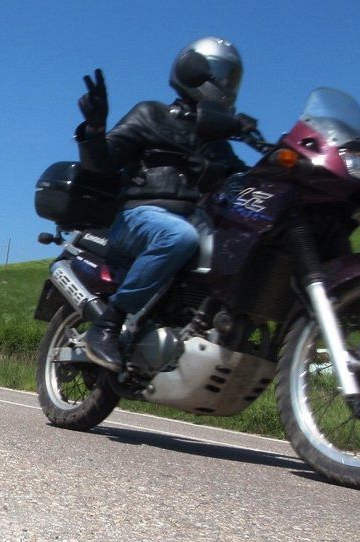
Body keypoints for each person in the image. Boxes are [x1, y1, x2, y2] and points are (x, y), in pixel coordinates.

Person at [75, 37, 249, 372]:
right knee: (178, 236)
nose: (225, 86)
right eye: (220, 75)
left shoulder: (217, 144)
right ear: (193, 72)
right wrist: (95, 128)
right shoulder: (151, 114)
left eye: (231, 78)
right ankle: (107, 325)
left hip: (193, 220)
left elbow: (242, 181)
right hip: (139, 216)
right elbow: (103, 162)